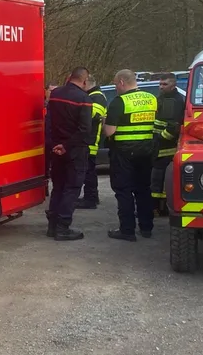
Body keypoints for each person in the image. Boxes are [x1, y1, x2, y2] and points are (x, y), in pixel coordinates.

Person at [104, 69, 157, 241]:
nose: (115, 87)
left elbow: (109, 131)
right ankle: (146, 227)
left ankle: (127, 230)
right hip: (146, 151)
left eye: (114, 83)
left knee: (124, 190)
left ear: (121, 82)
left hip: (124, 152)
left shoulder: (119, 102)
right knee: (143, 189)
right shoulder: (151, 99)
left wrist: (105, 121)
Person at [45, 68, 93, 241]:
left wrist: (54, 144)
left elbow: (48, 121)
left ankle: (52, 226)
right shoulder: (84, 99)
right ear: (85, 81)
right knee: (71, 188)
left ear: (69, 77)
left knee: (58, 187)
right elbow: (85, 130)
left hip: (56, 149)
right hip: (74, 151)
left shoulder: (55, 94)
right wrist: (66, 146)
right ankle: (62, 227)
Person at [151, 73, 185, 216]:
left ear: (173, 85)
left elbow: (174, 126)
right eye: (160, 84)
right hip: (158, 147)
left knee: (159, 180)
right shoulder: (163, 99)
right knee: (157, 180)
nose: (161, 87)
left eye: (164, 84)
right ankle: (158, 208)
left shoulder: (175, 101)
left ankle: (158, 209)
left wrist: (160, 138)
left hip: (166, 148)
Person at [76, 75, 107, 209]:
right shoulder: (92, 96)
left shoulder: (97, 97)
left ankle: (91, 199)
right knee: (88, 171)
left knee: (88, 172)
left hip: (91, 140)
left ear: (87, 83)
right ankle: (91, 197)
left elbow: (91, 116)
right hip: (89, 139)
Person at [44, 83, 58, 196]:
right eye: (51, 90)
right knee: (43, 166)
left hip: (54, 140)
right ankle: (44, 188)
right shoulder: (42, 105)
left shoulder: (59, 106)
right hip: (42, 141)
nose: (53, 93)